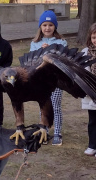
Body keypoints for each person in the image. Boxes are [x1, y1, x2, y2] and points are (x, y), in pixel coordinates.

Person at [30, 10, 67, 146]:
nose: (47, 28)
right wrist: (40, 51)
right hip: (41, 81)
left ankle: (57, 133)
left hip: (56, 80)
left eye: (50, 25)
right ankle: (43, 130)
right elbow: (32, 63)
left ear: (55, 26)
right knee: (43, 106)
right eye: (44, 25)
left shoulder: (61, 42)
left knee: (55, 106)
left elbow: (63, 59)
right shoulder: (34, 43)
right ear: (40, 27)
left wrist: (50, 50)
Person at [81, 22, 96, 157]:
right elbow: (80, 71)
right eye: (94, 37)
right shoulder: (85, 53)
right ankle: (92, 145)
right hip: (91, 91)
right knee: (92, 121)